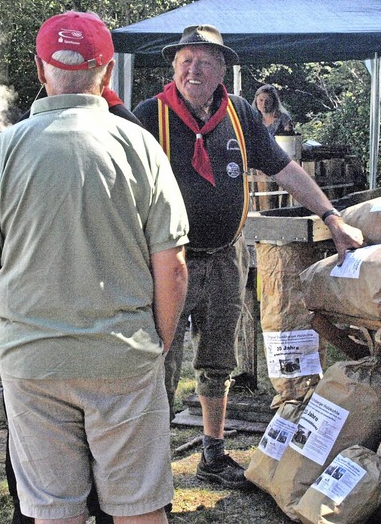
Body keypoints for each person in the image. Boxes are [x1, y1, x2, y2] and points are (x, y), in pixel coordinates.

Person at [0, 10, 190, 523]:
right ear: (109, 71)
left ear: (39, 68)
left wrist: (6, 337)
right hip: (122, 356)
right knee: (139, 510)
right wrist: (157, 343)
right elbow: (173, 266)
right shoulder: (140, 146)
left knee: (54, 513)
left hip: (32, 361)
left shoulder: (2, 151)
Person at [133, 24, 364, 490]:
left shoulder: (239, 113)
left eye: (204, 61)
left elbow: (284, 168)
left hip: (225, 256)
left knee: (219, 360)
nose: (192, 69)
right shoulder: (148, 115)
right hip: (165, 263)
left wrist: (332, 216)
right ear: (174, 66)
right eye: (185, 60)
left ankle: (212, 456)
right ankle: (148, 466)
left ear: (222, 69)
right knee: (157, 362)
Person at [3, 85, 141, 524]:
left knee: (48, 494)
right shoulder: (134, 135)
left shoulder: (14, 144)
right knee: (128, 492)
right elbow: (169, 261)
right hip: (116, 340)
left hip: (36, 340)